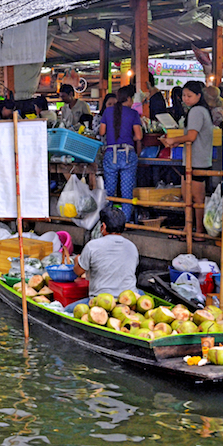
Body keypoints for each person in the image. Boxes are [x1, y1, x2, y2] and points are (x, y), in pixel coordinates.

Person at [160, 81, 213, 241]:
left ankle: (198, 231)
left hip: (197, 161)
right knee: (188, 196)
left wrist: (173, 140)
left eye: (189, 96)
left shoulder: (197, 111)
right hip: (193, 159)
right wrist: (176, 141)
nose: (186, 99)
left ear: (198, 96)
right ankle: (188, 228)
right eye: (184, 95)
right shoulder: (199, 111)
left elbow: (191, 137)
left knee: (196, 198)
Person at [71, 208, 139, 300]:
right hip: (129, 299)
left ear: (103, 226)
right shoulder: (132, 247)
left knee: (68, 309)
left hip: (101, 300)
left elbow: (78, 271)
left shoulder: (92, 246)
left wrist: (77, 261)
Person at [99, 86, 142, 222]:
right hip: (128, 154)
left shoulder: (108, 112)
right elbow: (139, 136)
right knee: (126, 192)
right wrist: (130, 138)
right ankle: (126, 221)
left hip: (111, 154)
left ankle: (108, 221)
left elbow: (101, 132)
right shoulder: (133, 114)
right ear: (129, 98)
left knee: (109, 191)